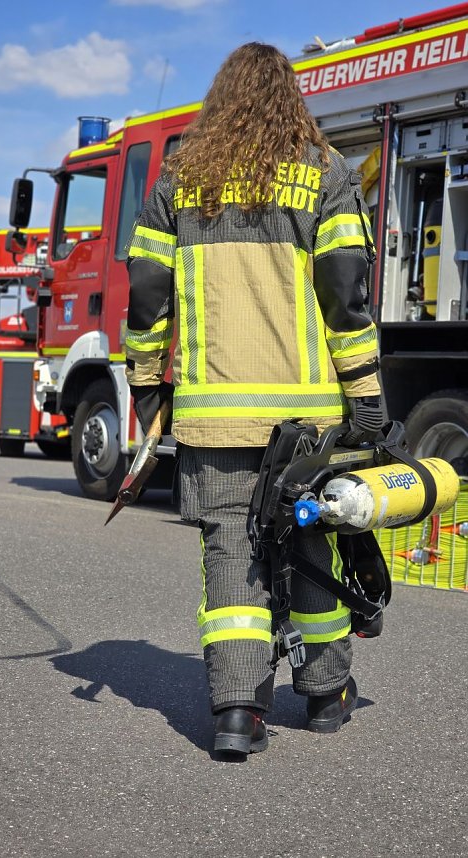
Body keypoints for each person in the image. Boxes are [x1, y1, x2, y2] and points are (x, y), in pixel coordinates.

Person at [124, 42, 383, 756]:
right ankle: (326, 696)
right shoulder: (325, 172)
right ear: (288, 98)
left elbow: (146, 295)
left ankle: (237, 712)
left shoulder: (180, 180)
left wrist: (146, 388)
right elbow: (345, 296)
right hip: (305, 423)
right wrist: (365, 394)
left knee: (230, 551)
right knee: (311, 543)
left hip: (214, 418)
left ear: (221, 99)